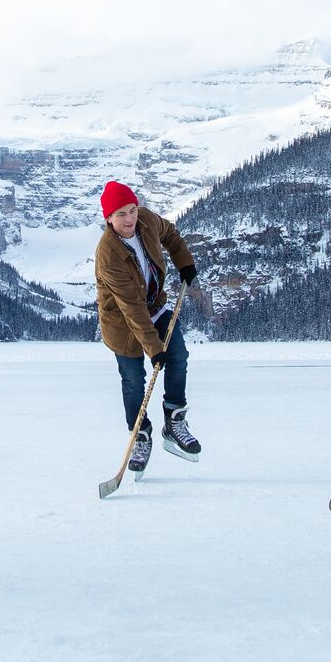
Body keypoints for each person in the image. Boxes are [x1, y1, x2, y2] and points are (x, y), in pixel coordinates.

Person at [94, 180, 200, 476]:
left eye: (131, 210)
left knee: (178, 356)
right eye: (121, 215)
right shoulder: (107, 254)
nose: (129, 219)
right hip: (123, 324)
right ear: (108, 219)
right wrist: (154, 349)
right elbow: (131, 308)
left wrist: (184, 264)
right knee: (134, 381)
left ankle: (174, 418)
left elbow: (171, 235)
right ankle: (140, 435)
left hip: (155, 306)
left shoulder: (147, 220)